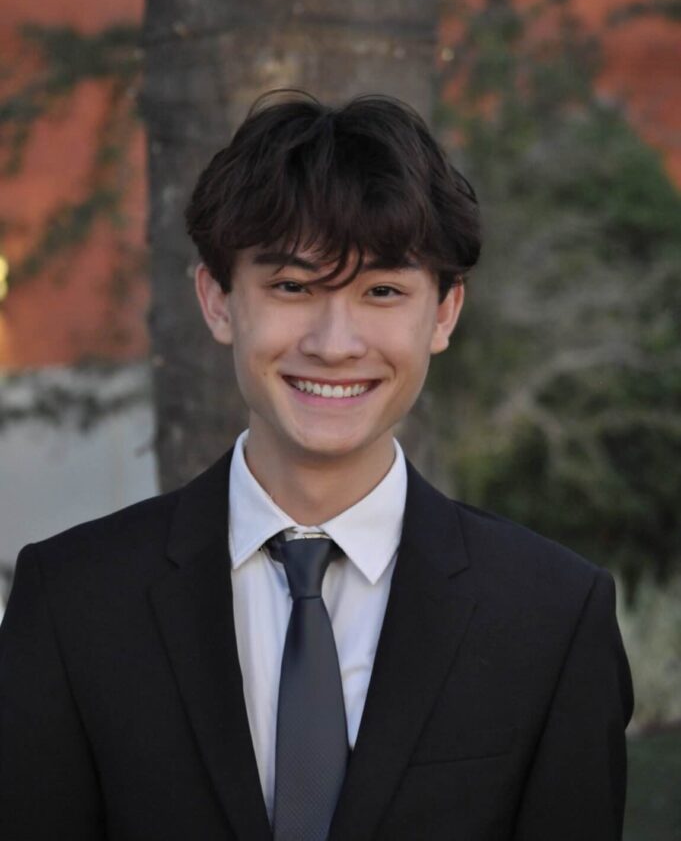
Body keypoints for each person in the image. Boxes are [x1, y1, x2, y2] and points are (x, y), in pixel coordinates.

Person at [0, 91, 633, 841]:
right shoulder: (73, 601)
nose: (335, 342)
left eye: (382, 291)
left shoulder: (553, 616)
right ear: (218, 300)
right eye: (293, 287)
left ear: (443, 314)